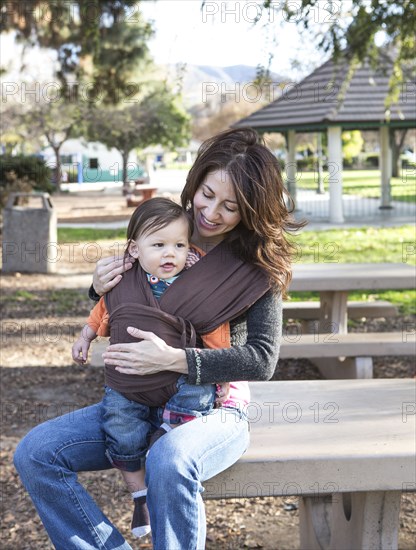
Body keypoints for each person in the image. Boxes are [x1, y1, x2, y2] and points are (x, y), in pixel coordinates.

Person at [14, 127, 304, 550]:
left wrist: (176, 359)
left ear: (252, 209)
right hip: (137, 401)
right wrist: (97, 287)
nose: (212, 212)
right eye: (207, 194)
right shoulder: (165, 227)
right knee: (36, 454)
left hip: (212, 408)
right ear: (196, 181)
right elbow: (133, 300)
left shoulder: (256, 267)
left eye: (231, 206)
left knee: (168, 460)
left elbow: (262, 359)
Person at [71, 197, 232, 539]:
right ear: (134, 249)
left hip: (179, 378)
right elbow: (103, 310)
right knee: (120, 424)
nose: (169, 253)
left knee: (197, 394)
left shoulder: (196, 282)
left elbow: (214, 326)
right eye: (158, 245)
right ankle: (139, 494)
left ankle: (167, 432)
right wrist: (86, 336)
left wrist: (223, 372)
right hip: (129, 383)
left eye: (178, 245)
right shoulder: (123, 281)